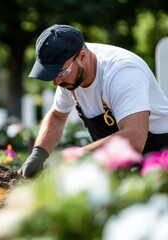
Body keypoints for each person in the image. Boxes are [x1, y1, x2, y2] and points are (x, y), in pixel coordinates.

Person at [19, 24, 168, 178]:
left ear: (82, 57)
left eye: (60, 73)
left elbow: (135, 137)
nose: (56, 83)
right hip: (120, 161)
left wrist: (77, 156)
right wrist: (38, 154)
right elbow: (57, 117)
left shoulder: (123, 73)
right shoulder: (70, 70)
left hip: (159, 156)